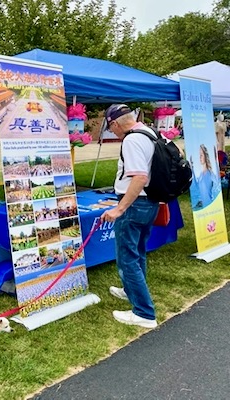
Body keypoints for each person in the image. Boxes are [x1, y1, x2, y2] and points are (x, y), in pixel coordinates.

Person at [100, 104, 159, 329]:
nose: (112, 132)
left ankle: (144, 313)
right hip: (149, 203)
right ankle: (130, 290)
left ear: (114, 123)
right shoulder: (151, 133)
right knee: (138, 251)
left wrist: (120, 209)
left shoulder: (132, 140)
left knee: (127, 258)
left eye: (110, 128)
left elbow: (139, 177)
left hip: (135, 204)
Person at [190, 144, 219, 209]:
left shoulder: (210, 174)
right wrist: (191, 167)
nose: (200, 157)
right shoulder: (201, 175)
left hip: (209, 205)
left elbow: (217, 183)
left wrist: (215, 160)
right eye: (199, 155)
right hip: (202, 206)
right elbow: (195, 186)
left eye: (201, 155)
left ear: (205, 156)